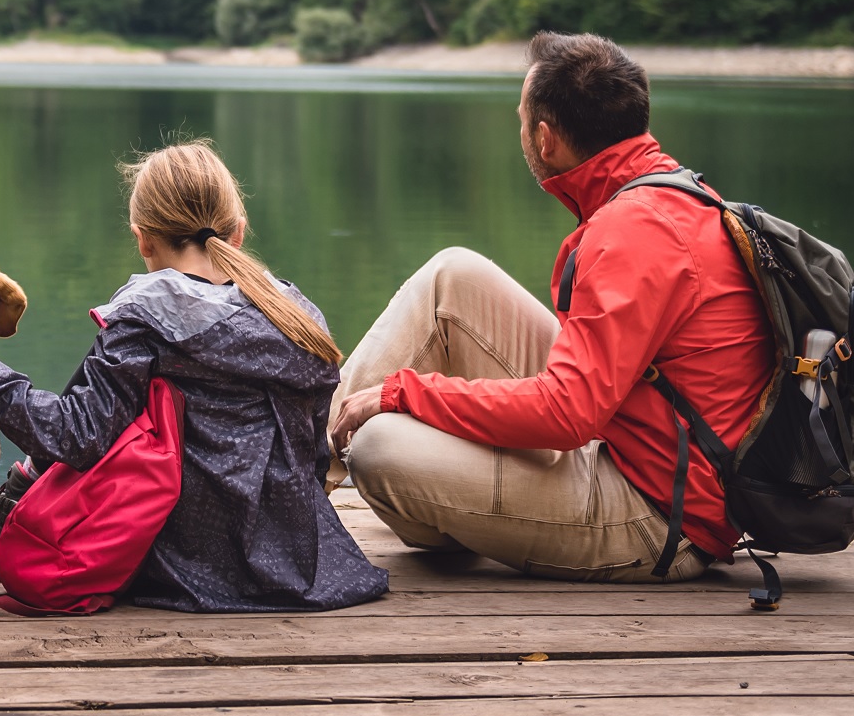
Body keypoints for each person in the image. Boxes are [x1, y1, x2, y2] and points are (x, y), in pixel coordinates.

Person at [328, 32, 775, 583]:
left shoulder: (632, 232)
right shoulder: (667, 194)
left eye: (519, 118)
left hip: (659, 517)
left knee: (378, 446)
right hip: (630, 436)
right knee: (454, 276)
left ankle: (287, 491)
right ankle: (297, 480)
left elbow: (566, 415)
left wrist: (405, 393)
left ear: (545, 138)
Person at [0, 140, 388, 612]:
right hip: (301, 559)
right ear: (238, 231)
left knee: (14, 508)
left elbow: (75, 435)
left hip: (187, 563)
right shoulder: (298, 315)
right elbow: (313, 452)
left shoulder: (147, 318)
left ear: (143, 238)